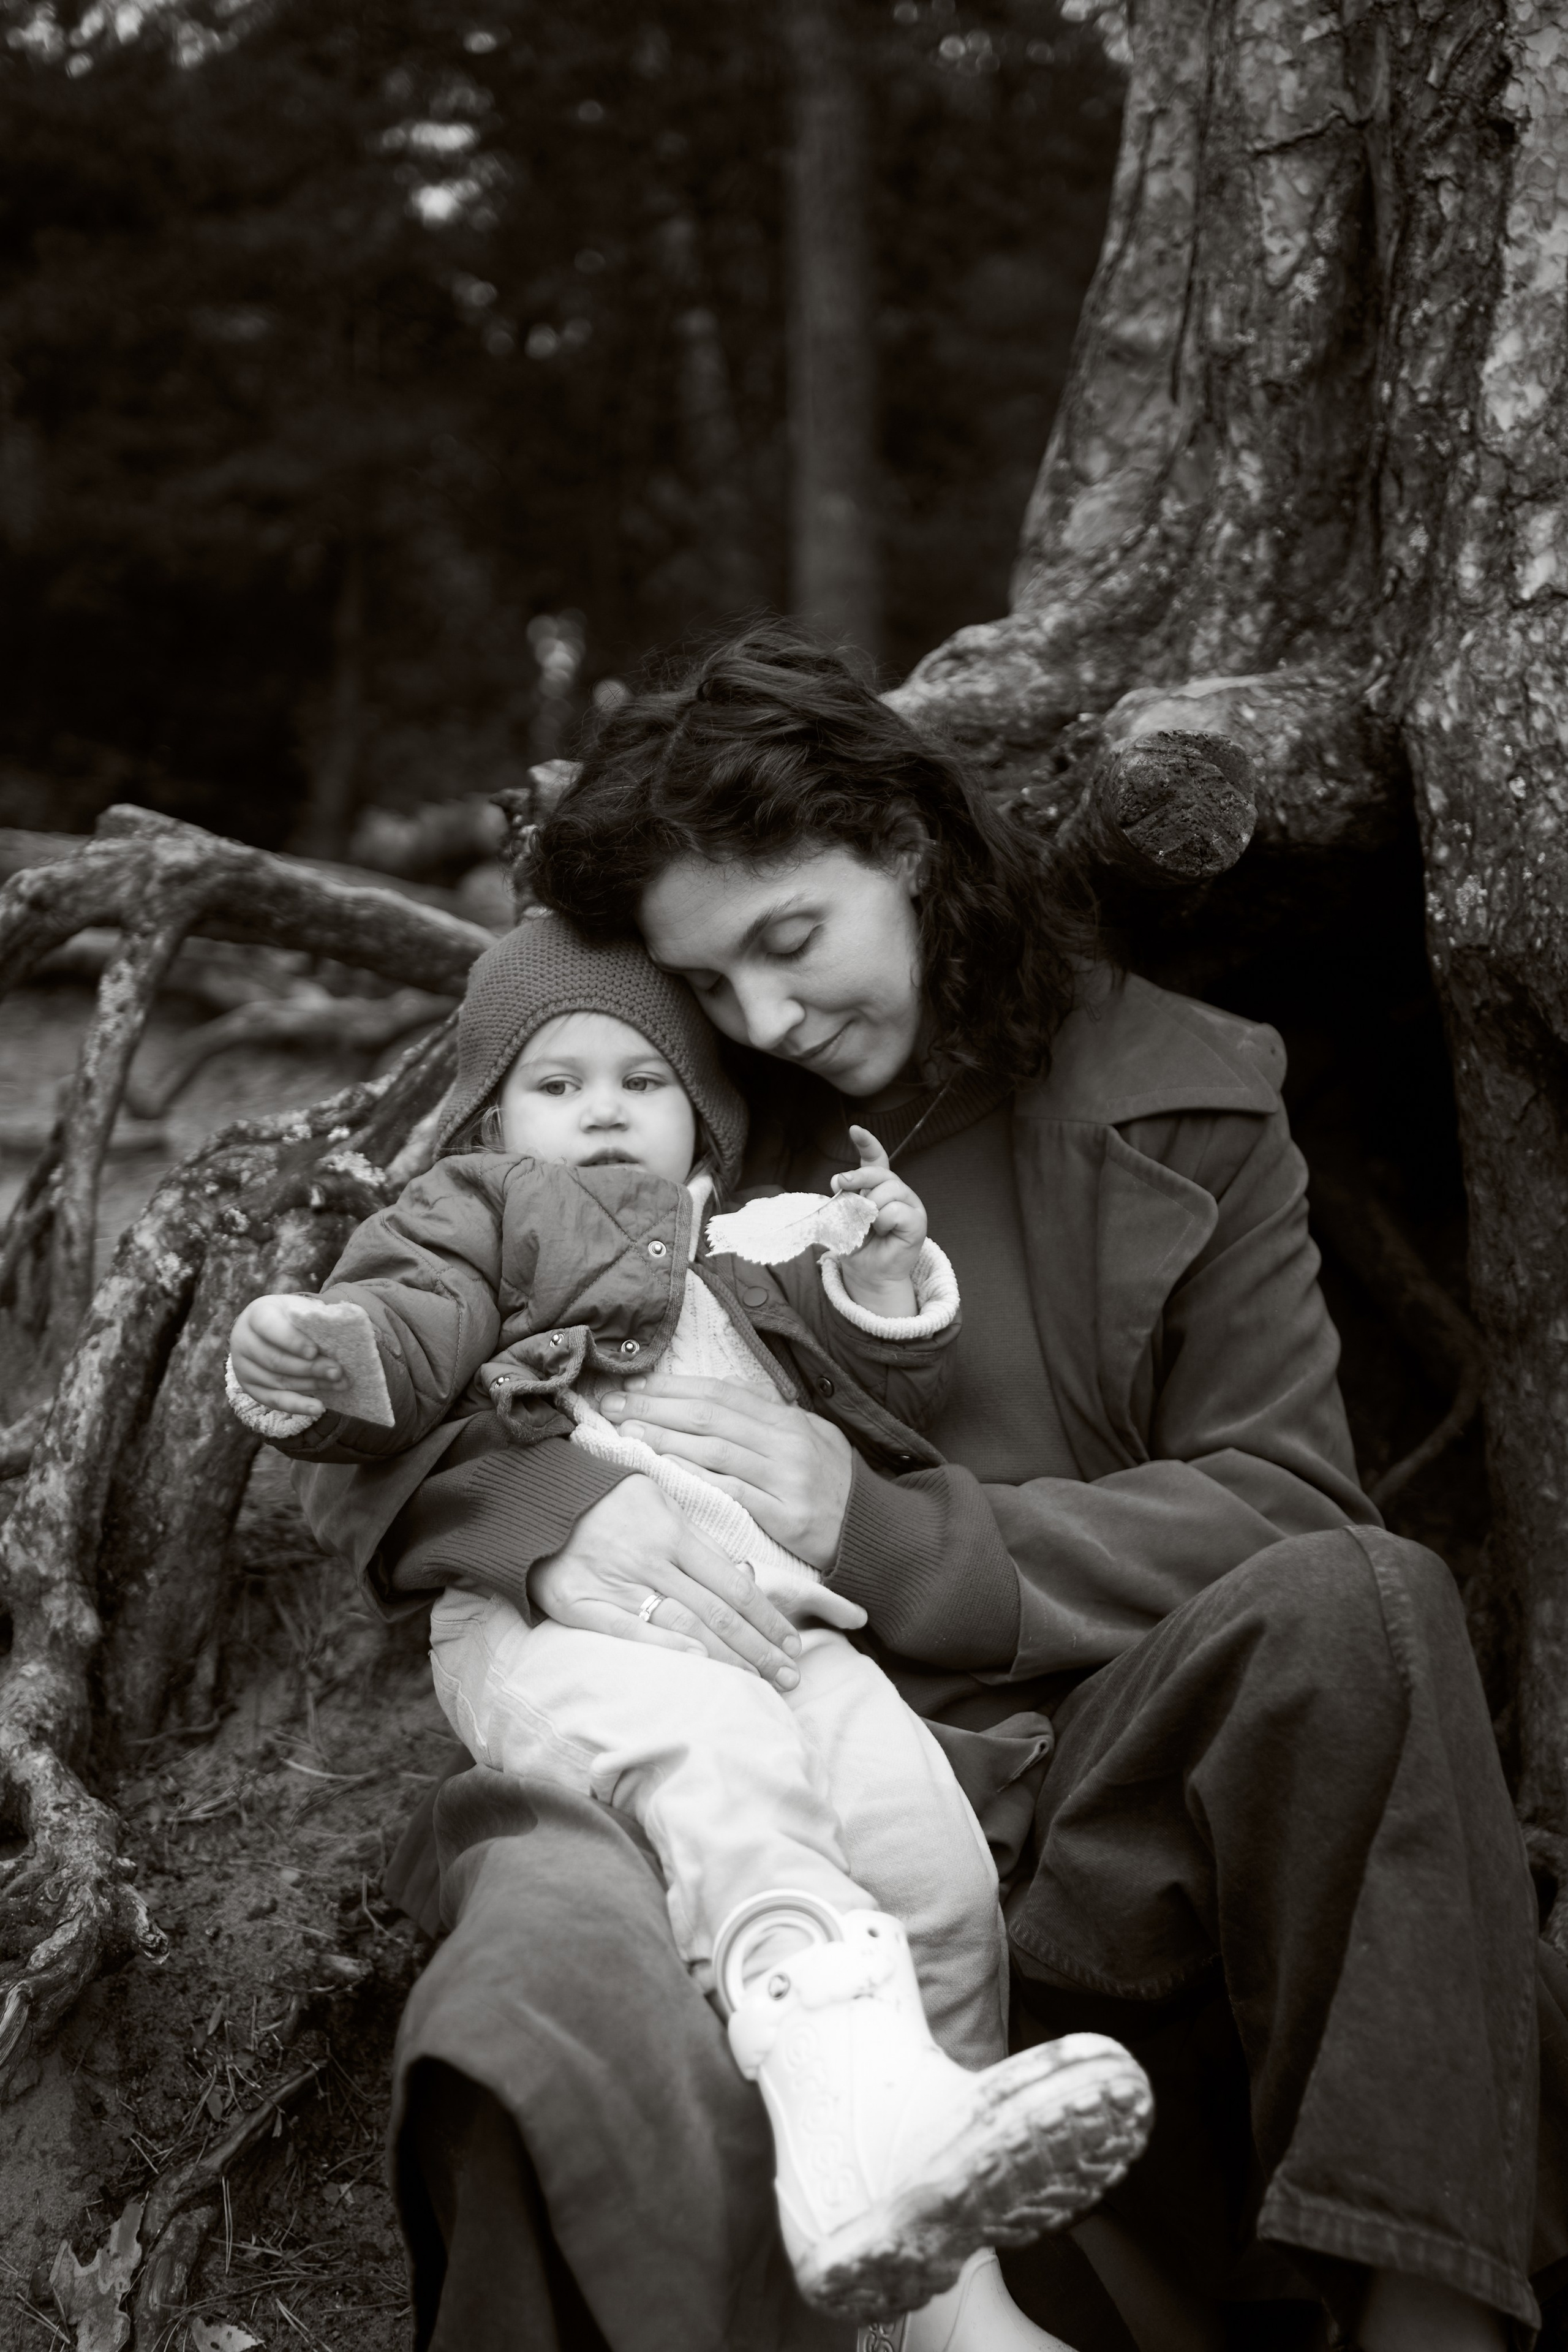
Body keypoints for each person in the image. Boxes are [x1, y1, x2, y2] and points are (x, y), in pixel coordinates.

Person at [298, 627, 1568, 2352]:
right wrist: (559, 1514)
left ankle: (1430, 2323)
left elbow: (1287, 1508)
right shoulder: (678, 1114)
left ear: (905, 843)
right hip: (779, 1801)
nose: (762, 1020)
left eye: (789, 942)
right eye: (711, 982)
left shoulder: (1181, 1099)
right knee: (545, 1959)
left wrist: (883, 1528)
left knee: (1373, 1606)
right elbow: (399, 1362)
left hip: (1113, 1818)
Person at [227, 914, 1152, 2343]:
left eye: (640, 1081)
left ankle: (941, 2272)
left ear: (700, 1117)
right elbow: (404, 1336)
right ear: (491, 1115)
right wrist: (327, 1353)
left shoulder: (746, 1251)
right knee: (730, 1787)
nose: (600, 1106)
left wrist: (889, 1282)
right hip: (572, 1638)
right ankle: (842, 2135)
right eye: (556, 1079)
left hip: (785, 1633)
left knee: (930, 1862)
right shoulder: (482, 1213)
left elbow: (875, 1408)